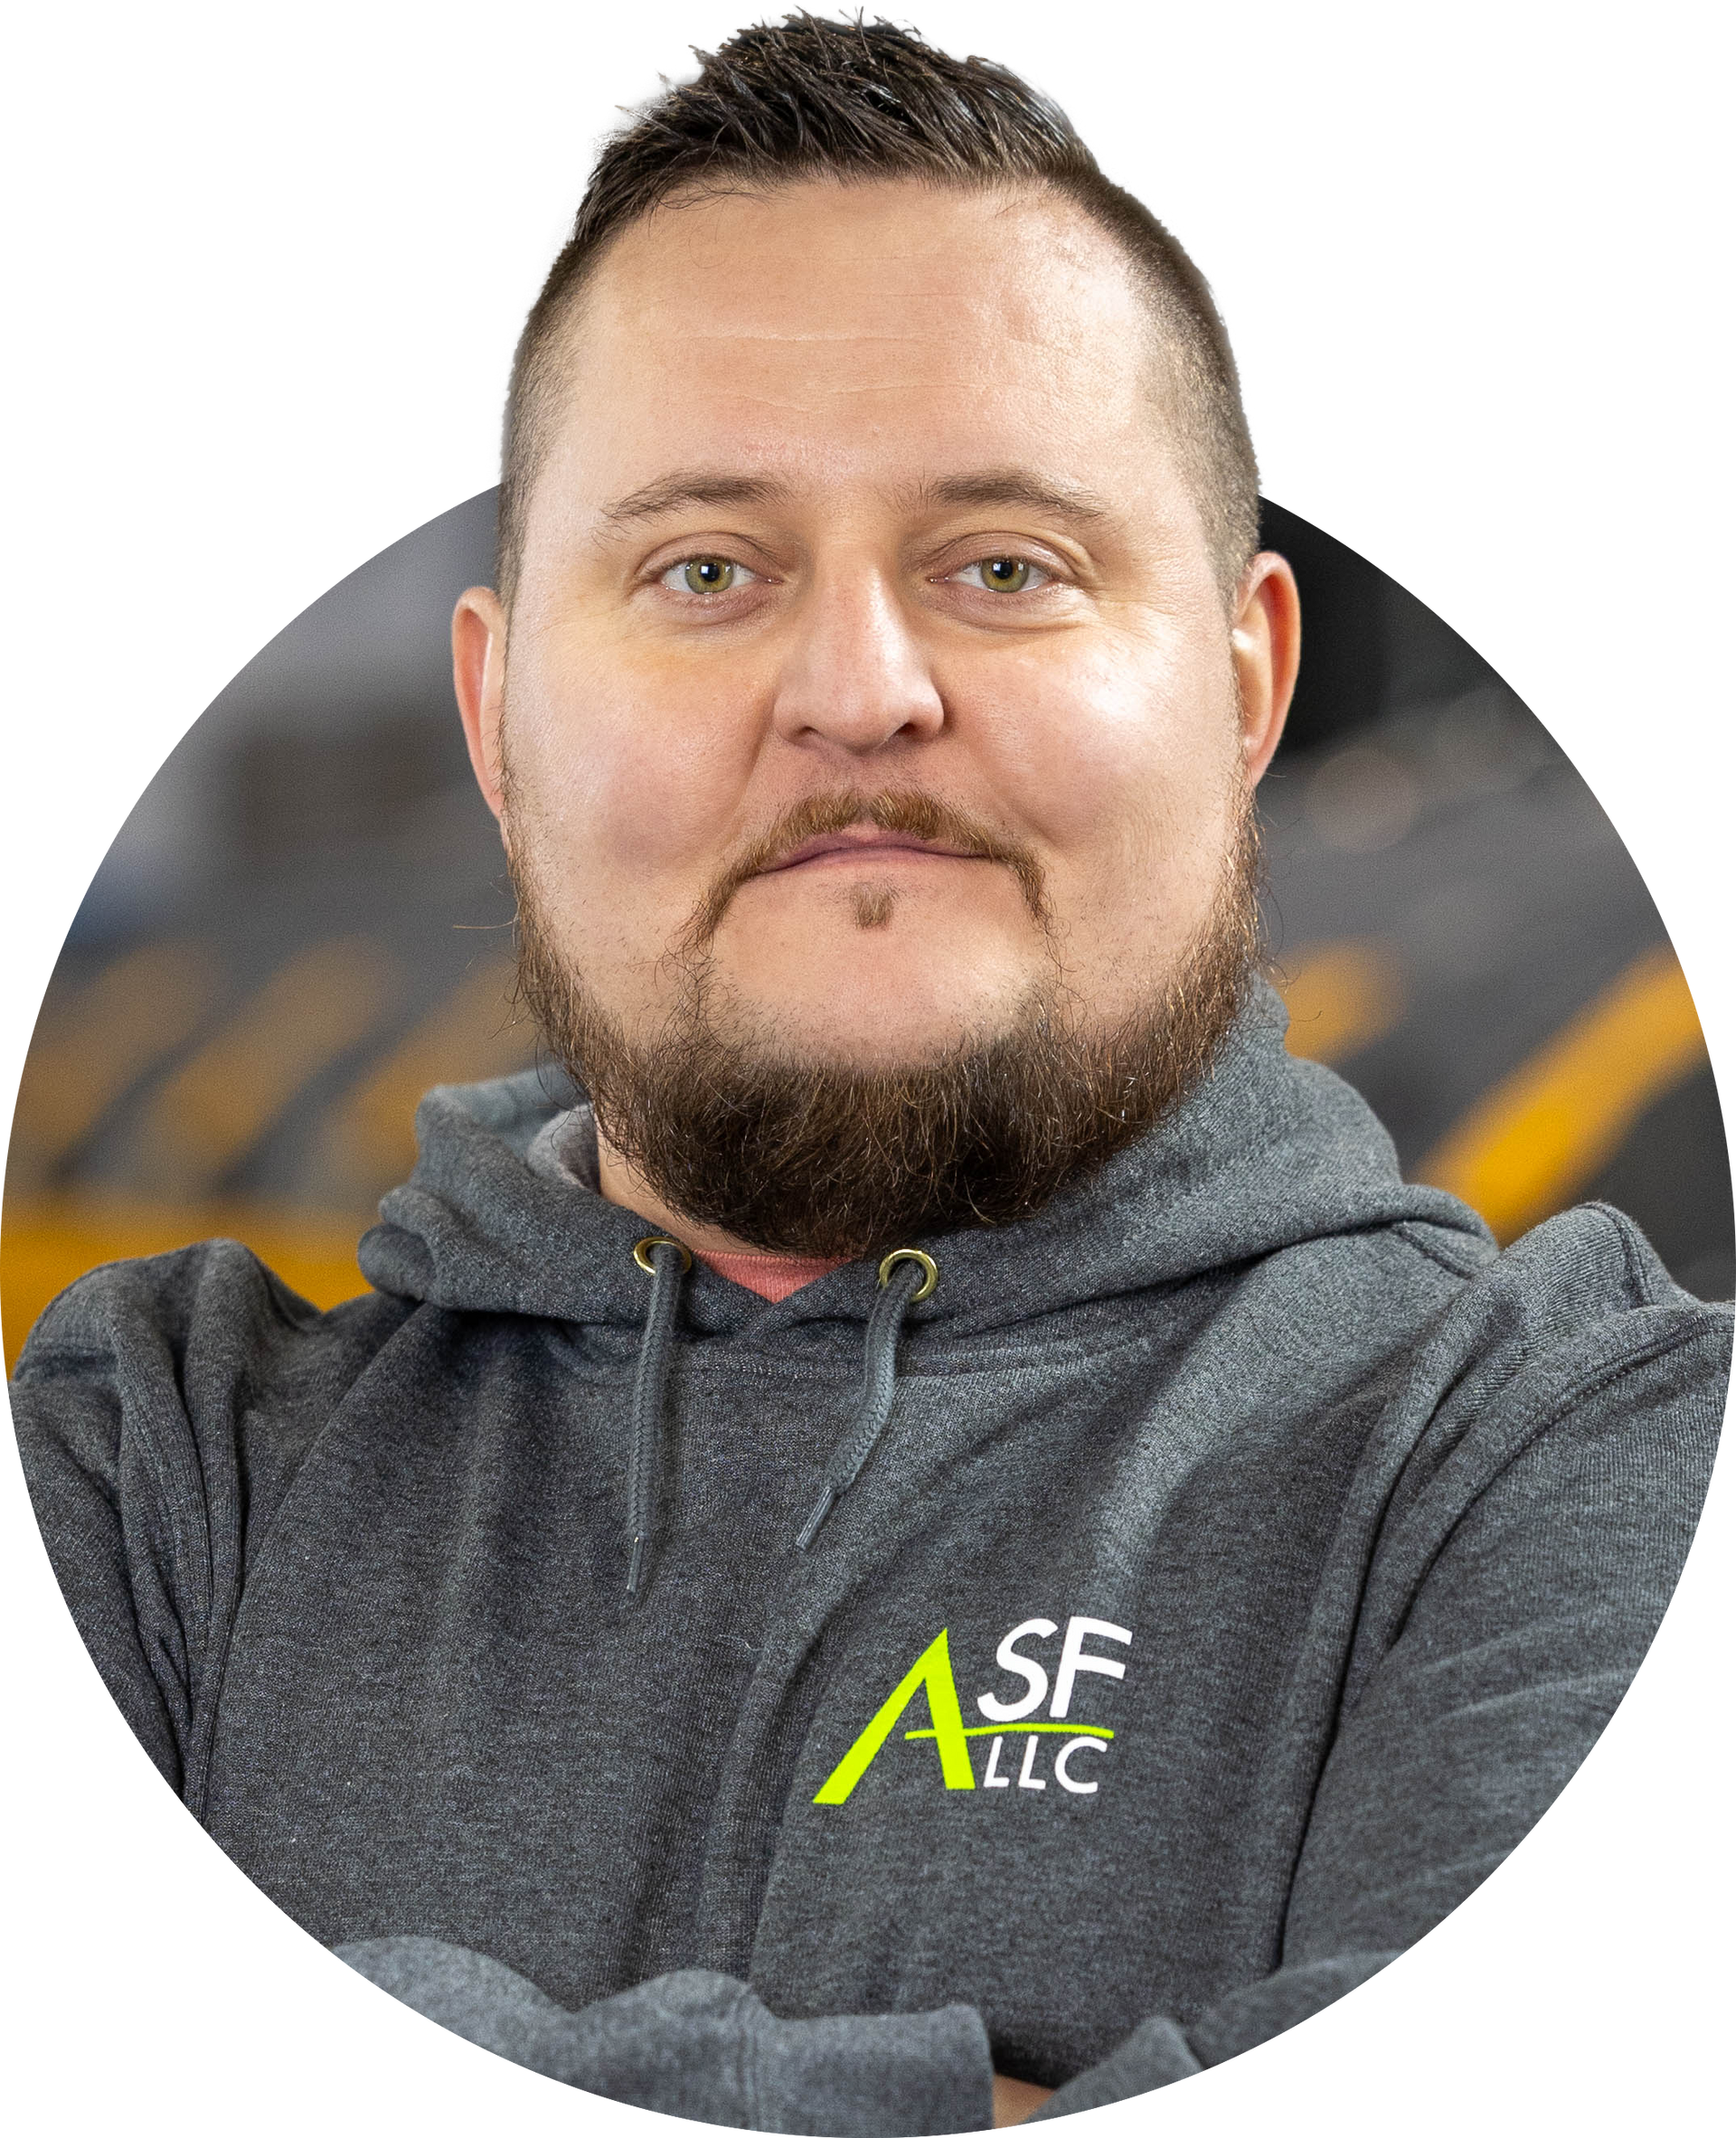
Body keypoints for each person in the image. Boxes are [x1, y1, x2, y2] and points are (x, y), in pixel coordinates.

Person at [11, 11, 1728, 2129]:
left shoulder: (1559, 1456)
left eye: (1004, 566)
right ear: (498, 722)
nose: (858, 690)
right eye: (704, 571)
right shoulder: (161, 1468)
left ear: (1246, 686)